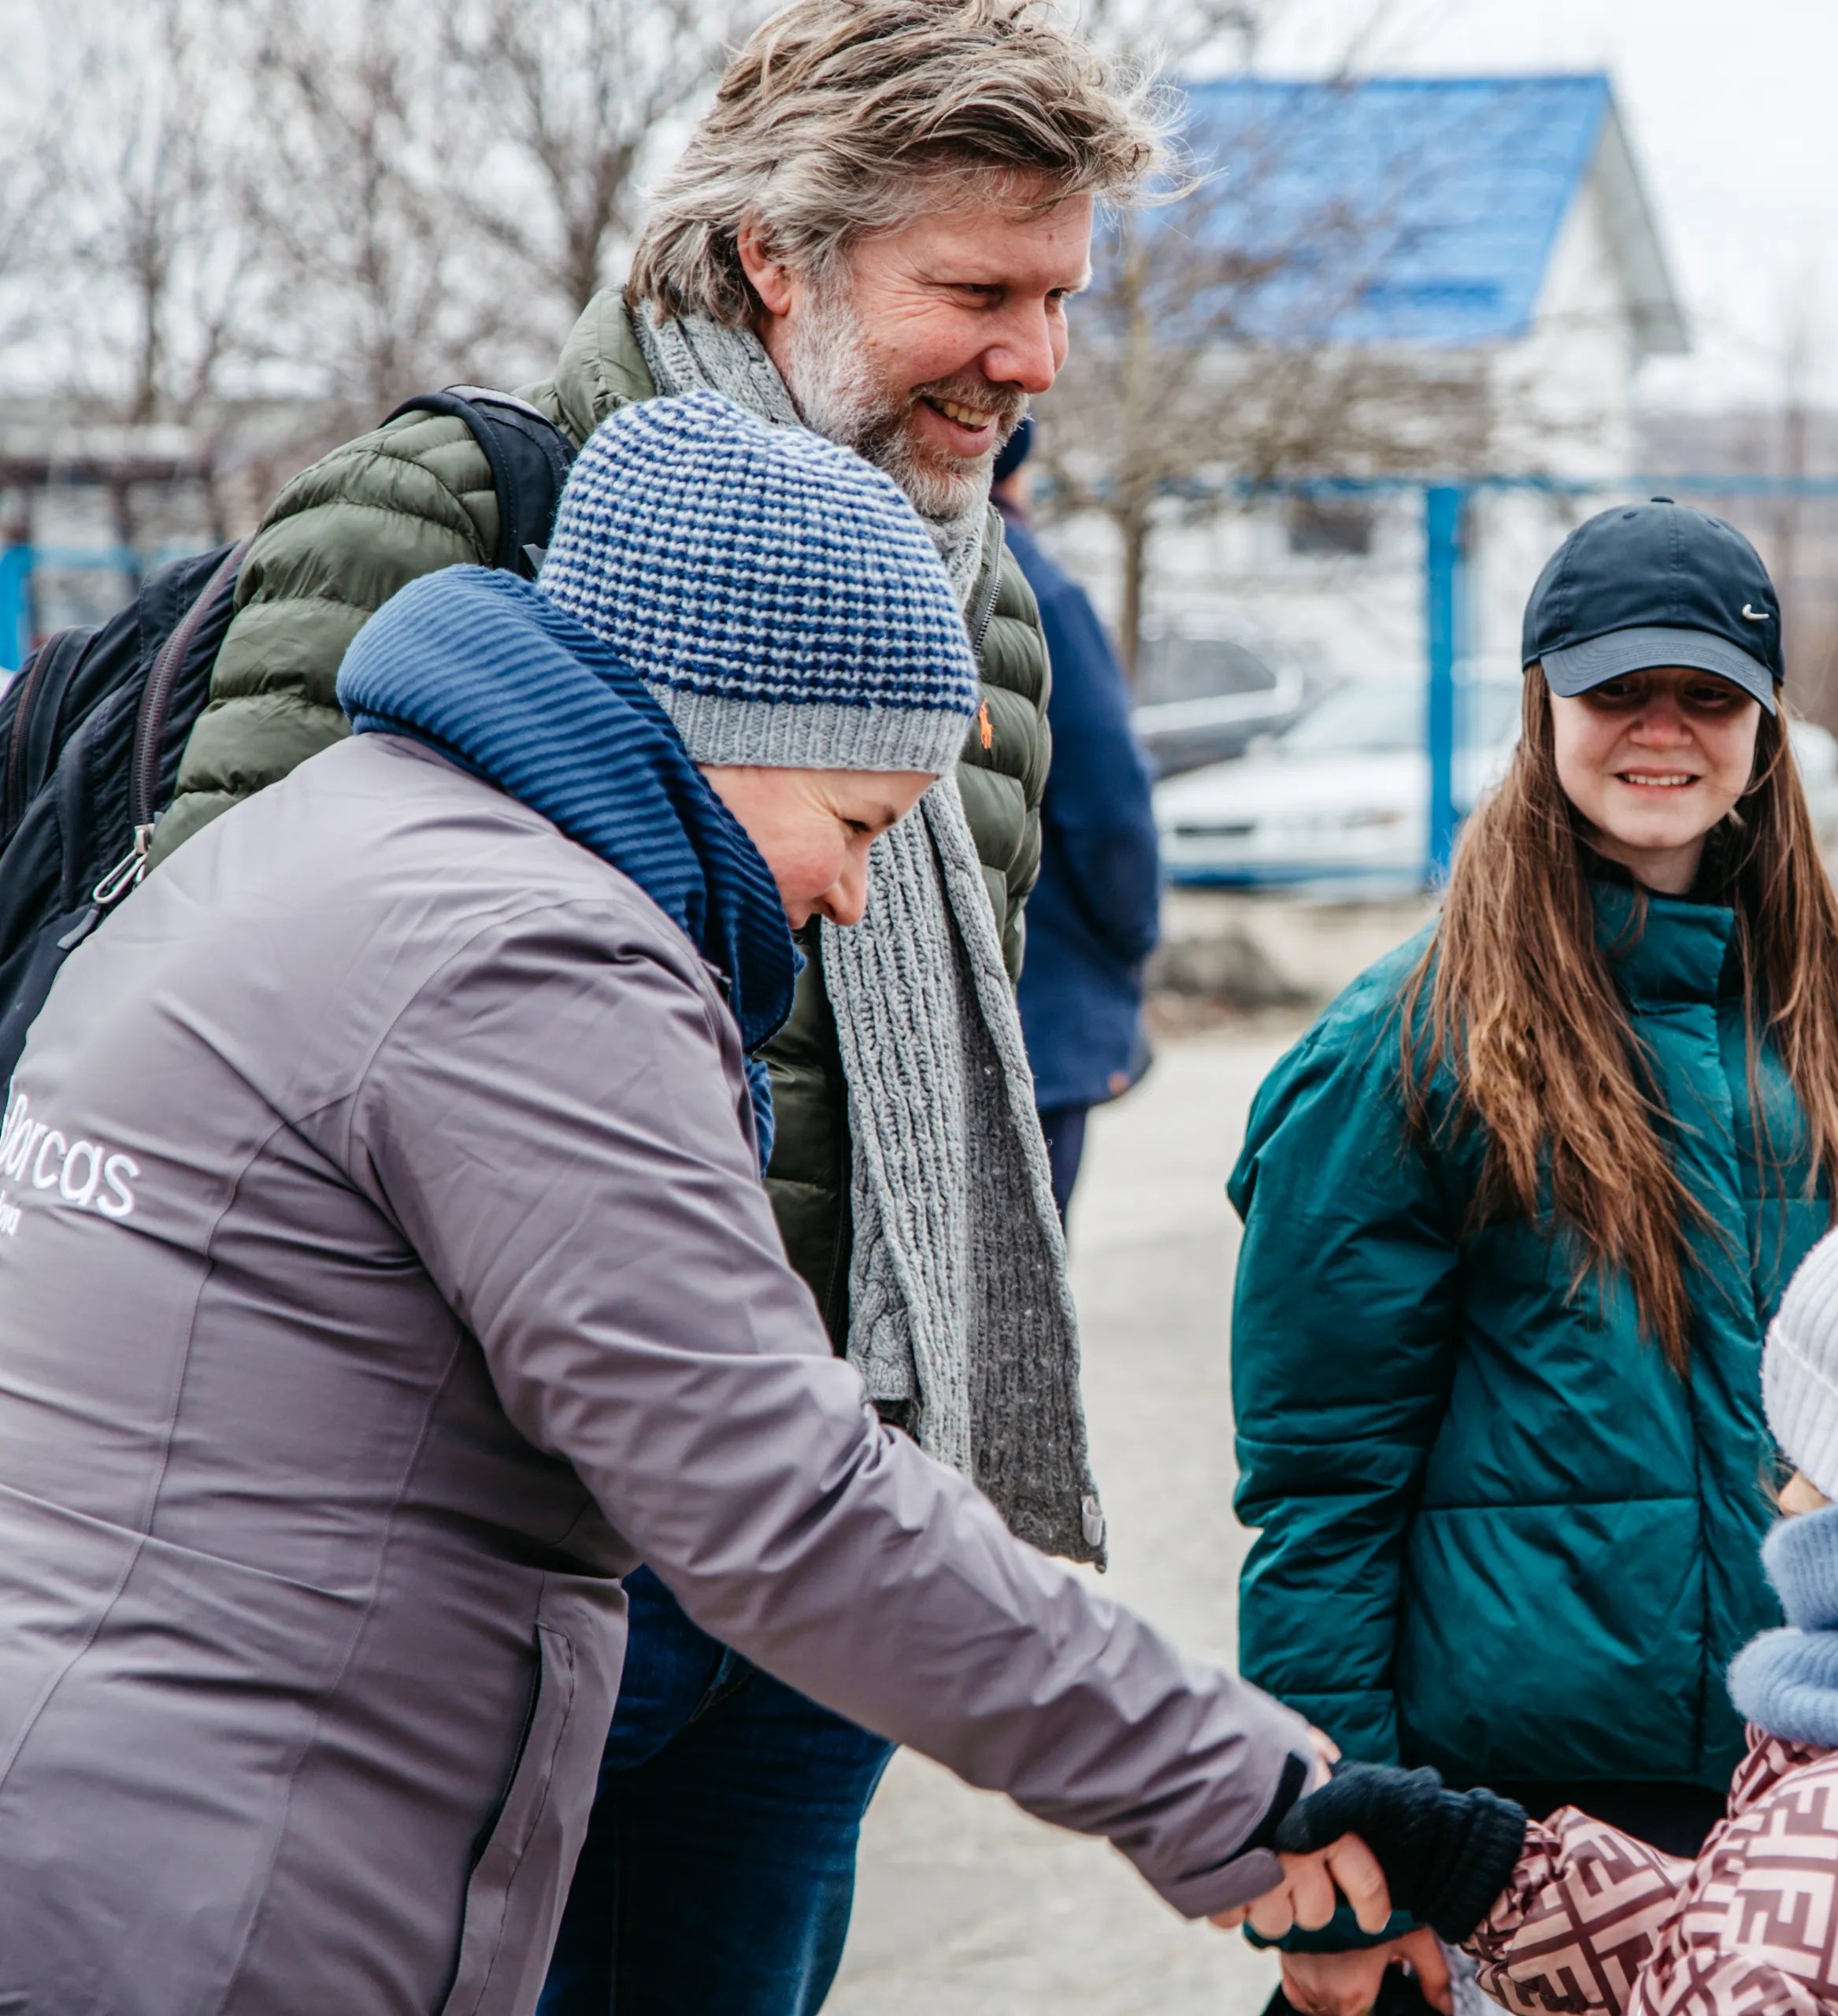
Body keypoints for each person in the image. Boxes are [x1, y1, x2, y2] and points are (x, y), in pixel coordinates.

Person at [0, 395, 1390, 2012]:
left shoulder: (326, 836)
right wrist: (1233, 1781)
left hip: (107, 1816)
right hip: (216, 1900)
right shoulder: (527, 952)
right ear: (729, 719)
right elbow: (776, 1495)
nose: (854, 892)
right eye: (859, 819)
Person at [143, 3, 1158, 2001]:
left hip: (825, 1540)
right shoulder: (449, 515)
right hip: (490, 1551)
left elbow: (935, 1108)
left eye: (1059, 298)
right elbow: (236, 1033)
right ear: (775, 256)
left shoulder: (994, 612)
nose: (1031, 362)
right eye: (977, 289)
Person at [1229, 500, 1838, 2014]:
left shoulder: (1837, 1030)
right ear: (1540, 702)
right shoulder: (1406, 1048)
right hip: (1508, 1823)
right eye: (1619, 692)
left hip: (1796, 1785)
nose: (1661, 732)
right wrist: (1338, 1862)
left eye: (1708, 696)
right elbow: (1320, 1491)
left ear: (1766, 725)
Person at [1262, 1152, 1838, 2015]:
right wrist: (1490, 1869)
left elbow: (1785, 1941)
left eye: (1819, 1459)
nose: (1785, 1493)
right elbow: (1795, 1956)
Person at [993, 413, 1161, 1214]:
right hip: (1044, 1006)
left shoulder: (875, 556)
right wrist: (1133, 939)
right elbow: (1110, 806)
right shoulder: (1042, 593)